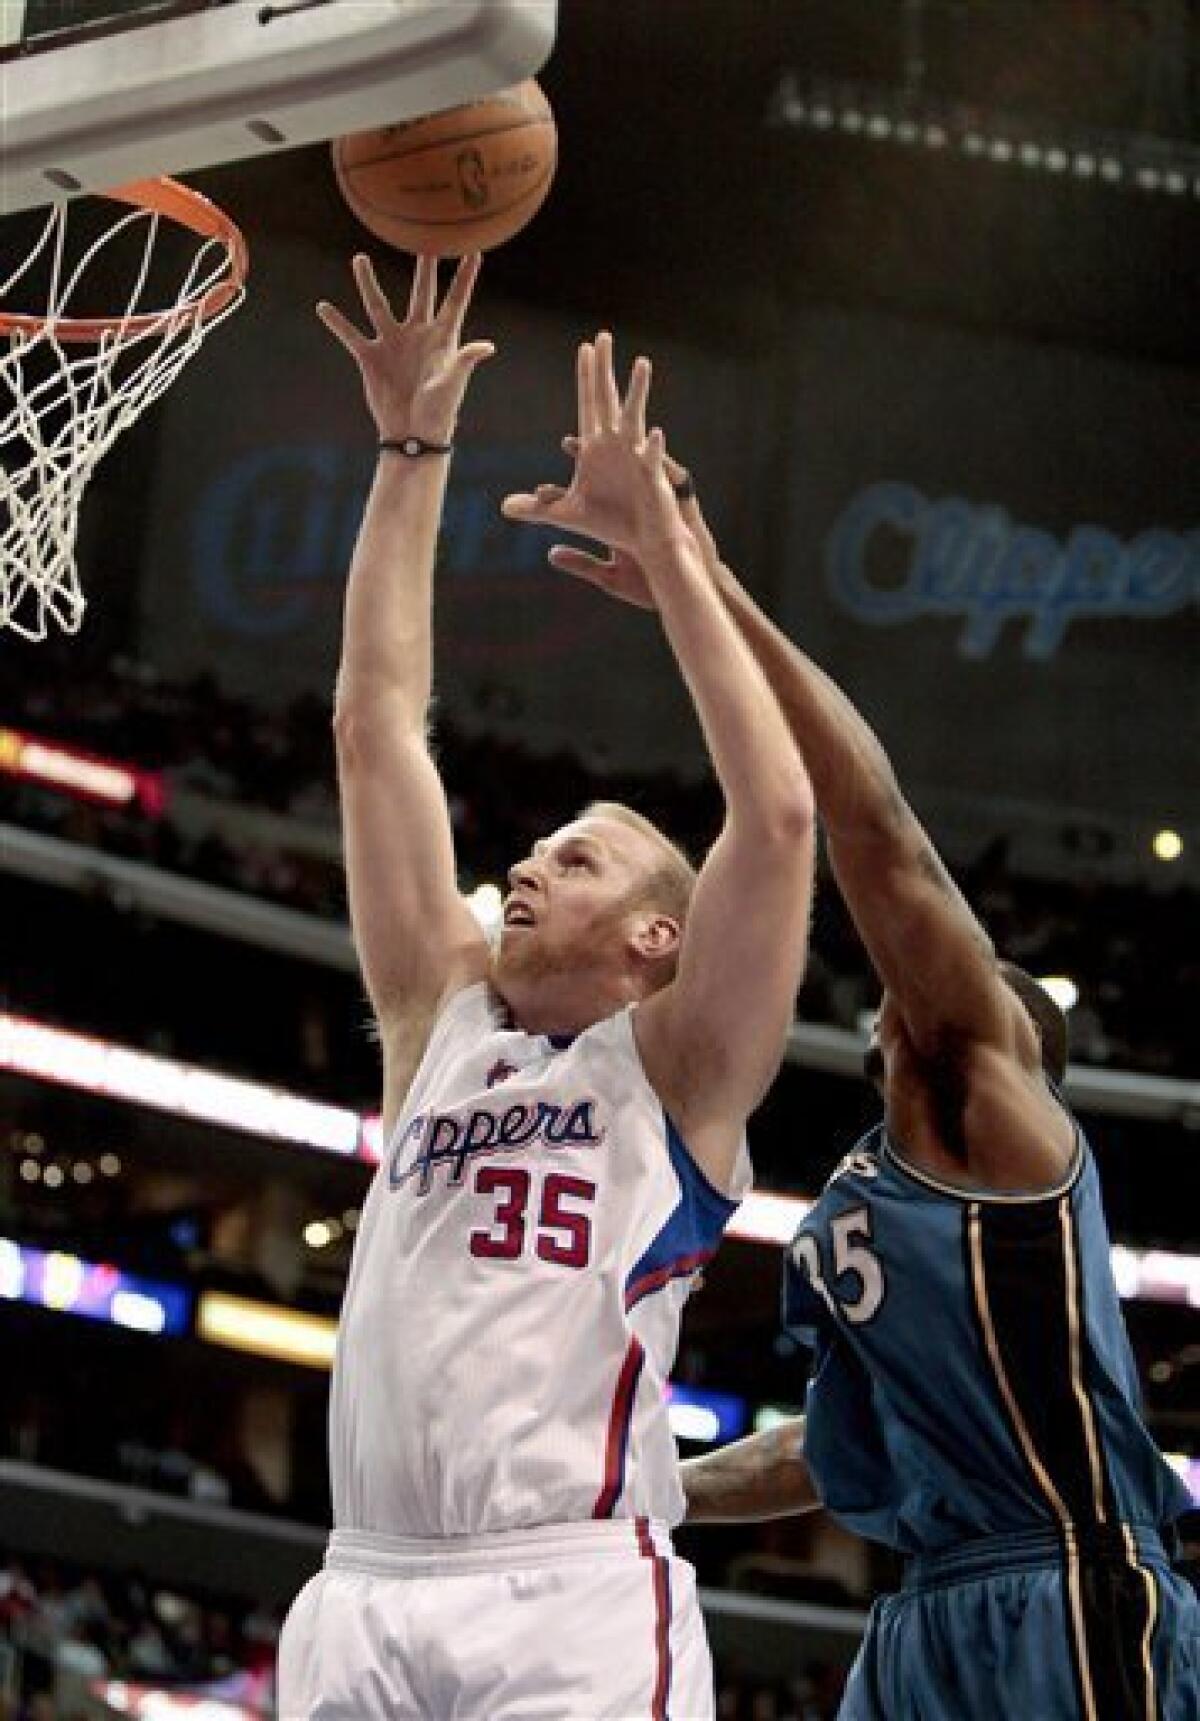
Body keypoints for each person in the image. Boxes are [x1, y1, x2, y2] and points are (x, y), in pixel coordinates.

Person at [515, 449, 1200, 1718]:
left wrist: (703, 588)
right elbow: (828, 1455)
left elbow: (873, 827)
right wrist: (626, 1476)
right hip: (920, 1607)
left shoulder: (989, 1106)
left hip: (1066, 1581)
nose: (931, 972)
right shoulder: (855, 1194)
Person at [275, 253, 818, 1720]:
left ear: (658, 936)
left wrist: (682, 573)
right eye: (530, 852)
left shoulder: (684, 1065)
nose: (523, 868)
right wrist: (410, 447)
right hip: (362, 1582)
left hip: (571, 1591)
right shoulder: (439, 1016)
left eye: (574, 861)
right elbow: (374, 724)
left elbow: (776, 819)